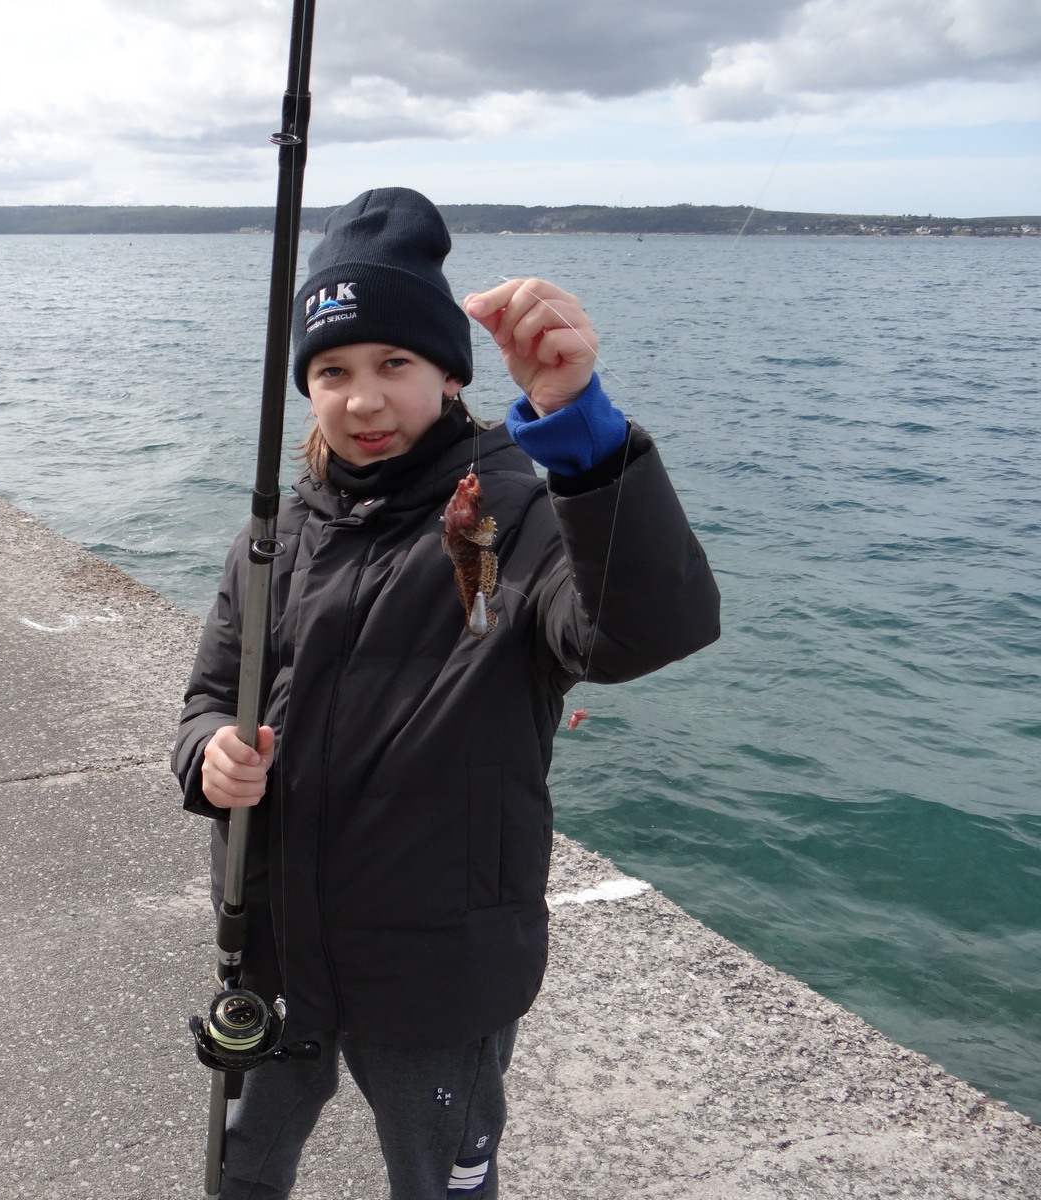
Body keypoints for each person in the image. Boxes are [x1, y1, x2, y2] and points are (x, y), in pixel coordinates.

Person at [171, 188, 721, 1200]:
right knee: (239, 1169)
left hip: (439, 969)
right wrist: (209, 757)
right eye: (332, 371)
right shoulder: (271, 538)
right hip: (273, 949)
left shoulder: (518, 510)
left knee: (437, 1182)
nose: (363, 400)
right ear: (306, 387)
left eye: (395, 364)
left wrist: (585, 440)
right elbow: (207, 695)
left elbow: (638, 632)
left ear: (450, 373)